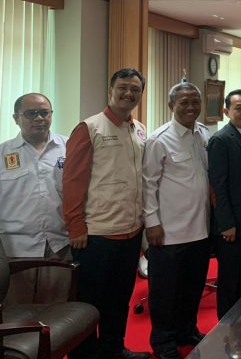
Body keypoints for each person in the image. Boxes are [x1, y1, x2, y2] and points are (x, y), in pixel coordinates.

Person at [63, 68, 151, 359]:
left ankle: (113, 349)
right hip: (96, 234)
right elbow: (73, 182)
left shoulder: (139, 129)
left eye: (135, 89)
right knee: (89, 303)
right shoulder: (89, 128)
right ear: (110, 90)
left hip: (131, 231)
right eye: (123, 87)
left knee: (119, 297)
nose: (129, 93)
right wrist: (76, 226)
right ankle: (86, 355)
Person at [142, 82, 210, 358]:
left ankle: (187, 331)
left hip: (200, 229)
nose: (191, 107)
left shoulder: (203, 134)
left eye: (195, 101)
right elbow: (148, 184)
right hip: (169, 231)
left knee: (192, 288)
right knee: (165, 293)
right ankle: (163, 343)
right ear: (171, 105)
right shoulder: (159, 139)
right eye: (184, 102)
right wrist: (152, 223)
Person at [0, 93, 70, 302]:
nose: (39, 118)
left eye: (44, 113)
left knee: (58, 310)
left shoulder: (69, 147)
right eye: (31, 114)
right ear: (16, 118)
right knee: (16, 311)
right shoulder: (3, 154)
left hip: (60, 245)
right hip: (15, 250)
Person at [208, 89, 241, 320]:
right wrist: (226, 224)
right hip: (232, 226)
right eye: (239, 108)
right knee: (230, 281)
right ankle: (226, 329)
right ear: (226, 111)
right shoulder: (220, 140)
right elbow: (217, 187)